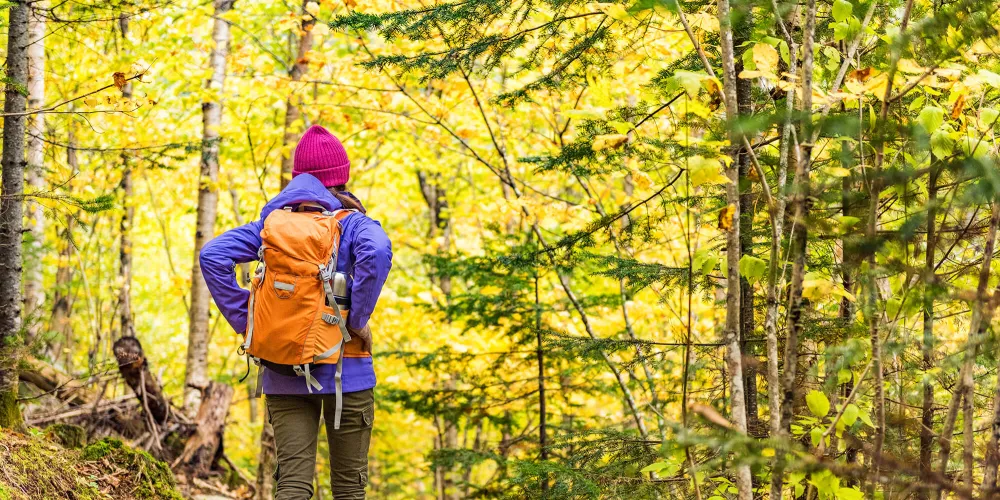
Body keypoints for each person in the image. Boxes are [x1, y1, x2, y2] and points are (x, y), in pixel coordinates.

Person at [200, 125, 392, 499]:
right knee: (349, 490)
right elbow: (378, 251)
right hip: (347, 372)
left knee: (292, 486)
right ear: (342, 177)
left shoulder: (270, 228)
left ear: (298, 179)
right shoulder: (352, 224)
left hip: (283, 370)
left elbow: (213, 255)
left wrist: (248, 322)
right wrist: (355, 321)